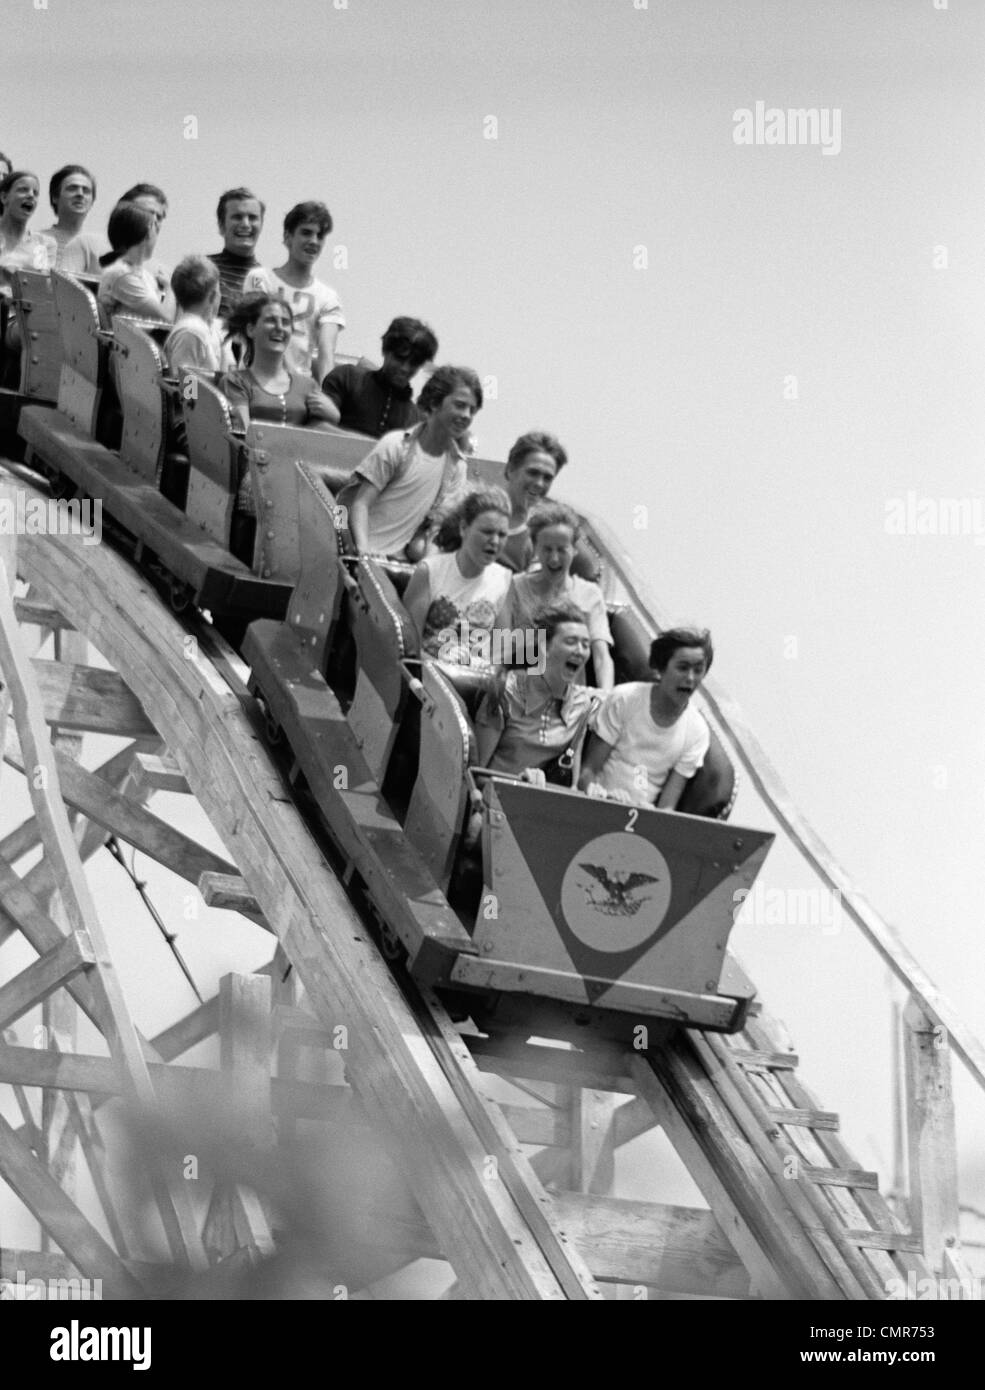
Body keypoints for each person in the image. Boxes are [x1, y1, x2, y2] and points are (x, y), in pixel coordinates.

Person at [342, 365, 481, 560]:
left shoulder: (457, 466)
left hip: (397, 560)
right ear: (434, 404)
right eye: (460, 405)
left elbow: (437, 527)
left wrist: (427, 568)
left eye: (472, 410)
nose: (467, 415)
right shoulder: (397, 446)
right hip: (357, 548)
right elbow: (360, 503)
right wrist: (362, 553)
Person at [579, 627, 713, 810]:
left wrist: (651, 817)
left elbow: (667, 807)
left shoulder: (697, 731)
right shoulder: (625, 698)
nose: (690, 678)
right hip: (596, 804)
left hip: (642, 820)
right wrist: (599, 795)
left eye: (698, 670)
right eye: (682, 668)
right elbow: (587, 773)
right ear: (660, 669)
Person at [474, 601, 601, 785]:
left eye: (585, 644)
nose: (580, 651)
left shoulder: (582, 705)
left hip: (539, 806)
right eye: (571, 642)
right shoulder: (506, 692)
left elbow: (571, 787)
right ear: (544, 646)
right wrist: (519, 782)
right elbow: (474, 775)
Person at [497, 502, 614, 689]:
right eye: (547, 549)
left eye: (562, 550)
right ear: (535, 548)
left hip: (567, 697)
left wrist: (605, 696)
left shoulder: (589, 594)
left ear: (574, 549)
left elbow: (602, 657)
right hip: (518, 687)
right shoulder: (515, 586)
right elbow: (500, 648)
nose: (554, 558)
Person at [402, 486, 512, 665]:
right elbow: (410, 647)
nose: (495, 541)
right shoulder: (430, 570)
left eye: (502, 535)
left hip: (475, 681)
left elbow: (501, 652)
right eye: (487, 532)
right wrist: (441, 664)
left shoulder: (504, 579)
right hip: (430, 676)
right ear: (463, 529)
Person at [244, 201, 344, 381]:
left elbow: (326, 353)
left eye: (320, 236)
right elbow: (255, 334)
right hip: (256, 382)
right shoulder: (260, 279)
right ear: (288, 237)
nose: (313, 241)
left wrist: (327, 396)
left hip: (299, 391)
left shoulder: (328, 297)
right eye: (306, 233)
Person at [218, 292, 336, 433]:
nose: (279, 328)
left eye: (285, 322)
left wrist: (334, 416)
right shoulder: (236, 382)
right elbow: (244, 434)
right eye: (270, 320)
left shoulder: (308, 386)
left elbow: (320, 434)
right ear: (251, 329)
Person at [320, 316, 437, 437]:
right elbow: (316, 427)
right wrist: (375, 447)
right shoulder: (347, 378)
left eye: (414, 363)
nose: (405, 368)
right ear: (385, 350)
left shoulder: (416, 419)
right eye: (399, 358)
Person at [97, 201, 175, 324]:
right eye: (154, 225)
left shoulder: (144, 275)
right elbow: (166, 317)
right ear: (146, 233)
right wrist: (170, 286)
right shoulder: (121, 275)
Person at [164, 255, 226, 377]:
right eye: (220, 291)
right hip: (200, 396)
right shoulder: (191, 332)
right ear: (213, 296)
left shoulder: (201, 328)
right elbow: (187, 387)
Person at [208, 187, 264, 321]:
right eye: (237, 217)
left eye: (252, 218)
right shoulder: (203, 269)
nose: (245, 224)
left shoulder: (266, 280)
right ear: (221, 226)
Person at [42, 164, 109, 275]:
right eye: (72, 189)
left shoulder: (101, 246)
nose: (80, 194)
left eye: (86, 190)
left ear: (92, 201)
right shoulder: (35, 241)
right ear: (55, 197)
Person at [0, 171, 57, 276]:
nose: (31, 195)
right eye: (23, 190)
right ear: (4, 197)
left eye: (35, 193)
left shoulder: (44, 244)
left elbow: (46, 285)